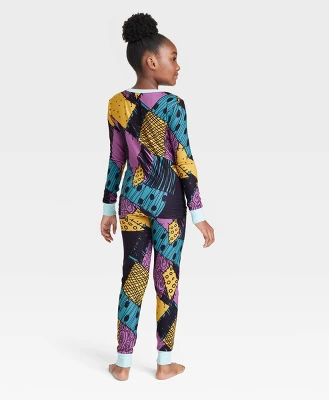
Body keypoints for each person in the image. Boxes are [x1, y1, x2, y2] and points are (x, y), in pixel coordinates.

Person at [100, 12, 215, 381]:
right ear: (151, 61)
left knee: (132, 278)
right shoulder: (173, 105)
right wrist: (199, 215)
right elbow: (184, 160)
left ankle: (122, 365)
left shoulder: (116, 103)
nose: (178, 66)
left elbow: (116, 159)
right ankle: (164, 364)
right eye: (173, 58)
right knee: (168, 281)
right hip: (169, 207)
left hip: (131, 203)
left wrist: (107, 208)